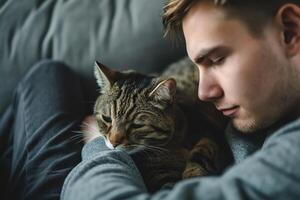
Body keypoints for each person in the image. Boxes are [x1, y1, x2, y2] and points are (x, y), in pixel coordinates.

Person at [1, 1, 300, 200]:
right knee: (46, 76)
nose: (203, 92)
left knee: (45, 75)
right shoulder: (265, 111)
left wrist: (96, 142)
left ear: (290, 30)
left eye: (218, 59)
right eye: (198, 66)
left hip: (83, 186)